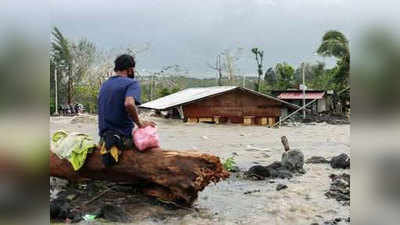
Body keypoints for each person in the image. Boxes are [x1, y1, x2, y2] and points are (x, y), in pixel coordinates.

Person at [98, 54, 155, 166]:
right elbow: (129, 104)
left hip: (103, 139)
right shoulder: (132, 83)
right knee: (149, 140)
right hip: (123, 140)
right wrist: (140, 123)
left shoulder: (105, 84)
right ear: (130, 69)